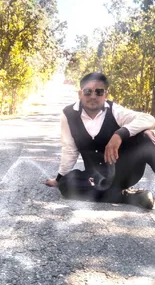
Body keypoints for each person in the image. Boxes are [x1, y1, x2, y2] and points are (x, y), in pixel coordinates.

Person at [45, 72, 155, 209]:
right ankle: (131, 196)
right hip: (95, 177)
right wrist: (59, 179)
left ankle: (119, 192)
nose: (93, 96)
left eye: (99, 92)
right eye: (87, 91)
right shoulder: (69, 114)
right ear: (80, 94)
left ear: (105, 95)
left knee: (147, 136)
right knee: (67, 185)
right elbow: (69, 149)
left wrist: (119, 135)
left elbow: (148, 119)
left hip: (124, 172)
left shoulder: (115, 110)